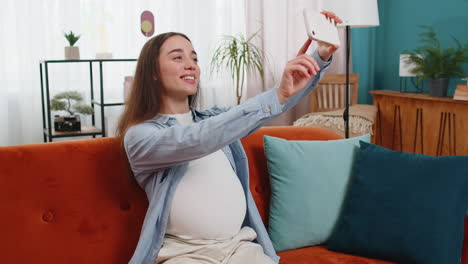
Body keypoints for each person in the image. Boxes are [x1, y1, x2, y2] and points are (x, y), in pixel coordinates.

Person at [116, 11, 342, 264]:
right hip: (184, 254)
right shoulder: (141, 136)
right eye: (177, 58)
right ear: (152, 73)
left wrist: (320, 56)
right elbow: (198, 139)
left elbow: (271, 106)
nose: (191, 64)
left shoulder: (216, 119)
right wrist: (277, 94)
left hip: (239, 248)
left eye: (194, 58)